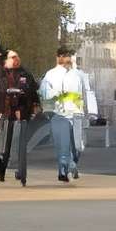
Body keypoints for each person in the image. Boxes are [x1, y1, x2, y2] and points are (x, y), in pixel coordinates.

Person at [39, 47, 89, 184]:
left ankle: (72, 164)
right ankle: (63, 170)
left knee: (78, 146)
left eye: (68, 56)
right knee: (63, 145)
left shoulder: (78, 75)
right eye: (63, 56)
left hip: (77, 114)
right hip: (59, 114)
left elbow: (86, 93)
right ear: (58, 58)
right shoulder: (51, 74)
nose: (67, 59)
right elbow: (44, 92)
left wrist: (90, 113)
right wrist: (56, 94)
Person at [0, 49, 39, 186]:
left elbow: (33, 90)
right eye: (12, 57)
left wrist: (34, 104)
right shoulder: (0, 74)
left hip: (22, 113)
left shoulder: (25, 74)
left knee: (18, 143)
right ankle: (2, 162)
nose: (16, 59)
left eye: (17, 56)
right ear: (6, 61)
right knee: (4, 144)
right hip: (5, 113)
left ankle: (20, 169)